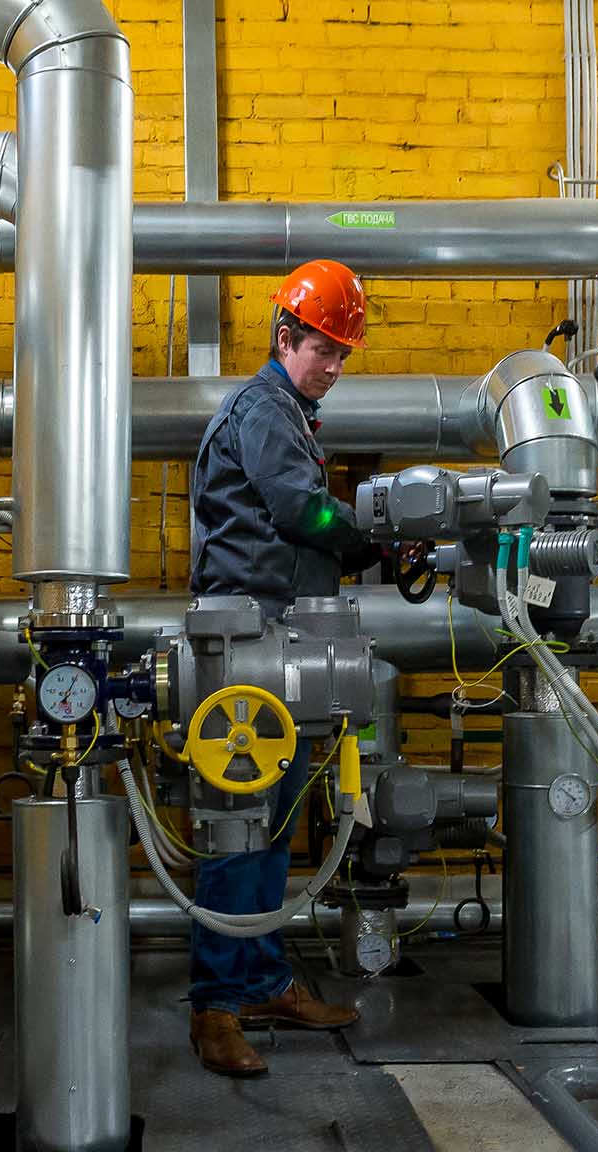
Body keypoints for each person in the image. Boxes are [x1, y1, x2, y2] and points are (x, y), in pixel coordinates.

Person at [184, 259, 380, 1077]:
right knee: (238, 827)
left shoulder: (290, 413)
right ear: (284, 337)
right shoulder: (264, 409)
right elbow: (302, 508)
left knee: (270, 825)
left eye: (341, 354)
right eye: (322, 349)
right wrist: (367, 533)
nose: (332, 366)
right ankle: (216, 1006)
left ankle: (261, 981)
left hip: (281, 642)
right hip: (246, 647)